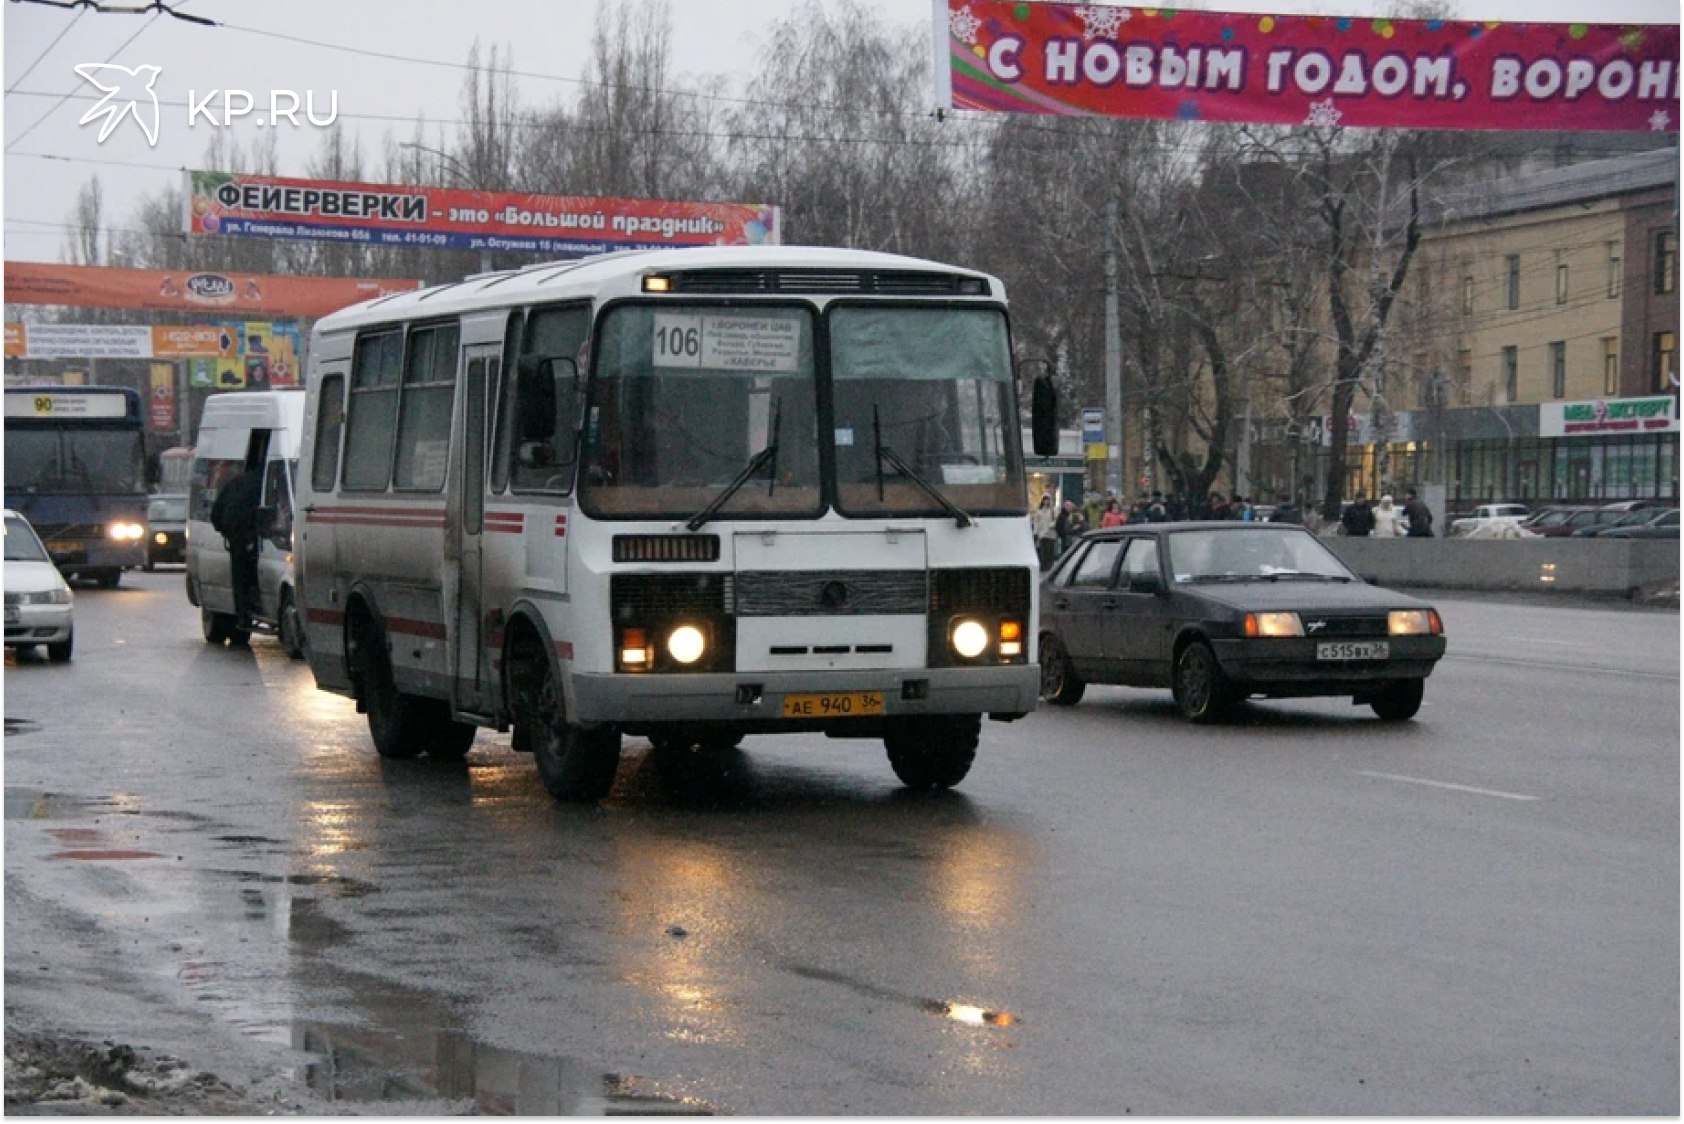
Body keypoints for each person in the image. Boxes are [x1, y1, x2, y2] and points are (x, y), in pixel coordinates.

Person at [210, 464, 263, 637]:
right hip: (251, 536)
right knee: (249, 577)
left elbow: (215, 514)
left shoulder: (236, 482)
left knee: (240, 580)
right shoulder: (267, 481)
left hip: (237, 537)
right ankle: (251, 612)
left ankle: (243, 617)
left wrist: (228, 533)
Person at [1032, 493, 1059, 570]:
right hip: (1042, 535)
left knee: (1050, 553)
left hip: (1051, 535)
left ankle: (1050, 567)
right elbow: (1036, 523)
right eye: (1045, 500)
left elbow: (1057, 520)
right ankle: (1043, 566)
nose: (1046, 502)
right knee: (1043, 552)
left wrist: (1053, 524)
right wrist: (1035, 533)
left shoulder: (1053, 511)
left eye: (1048, 500)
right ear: (1042, 501)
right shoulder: (1039, 512)